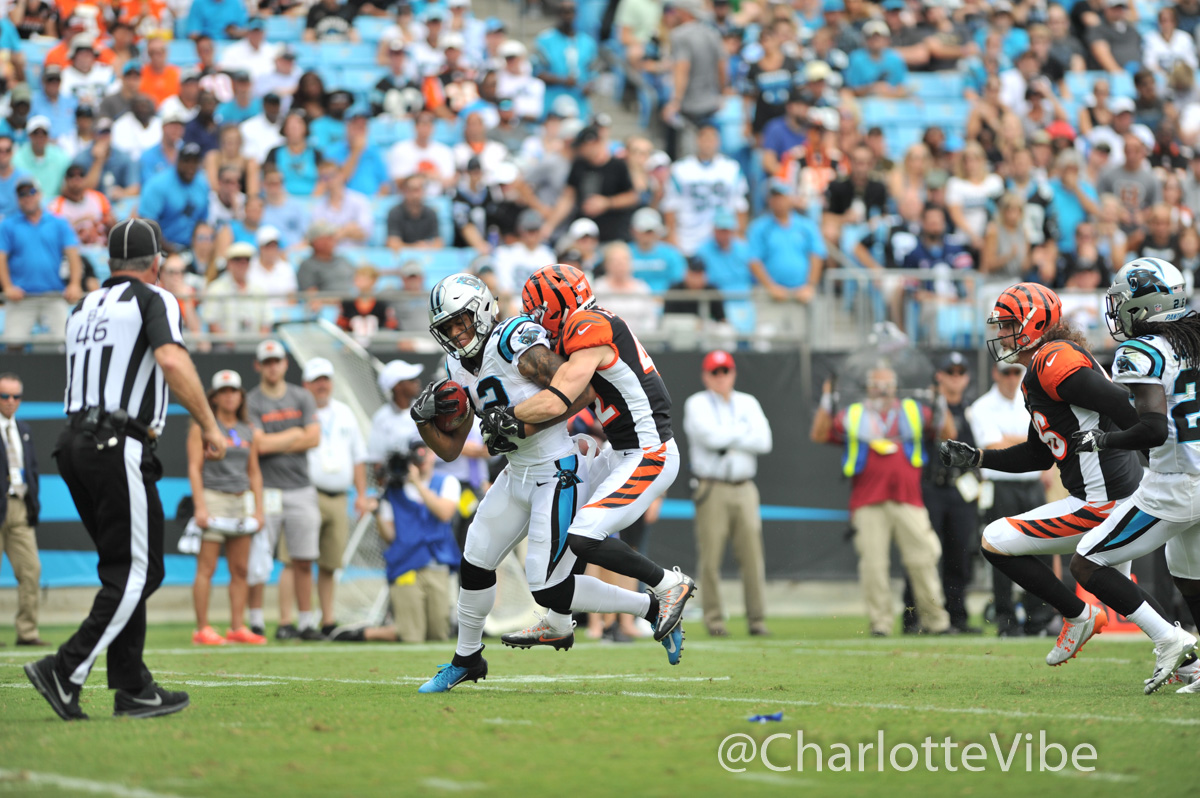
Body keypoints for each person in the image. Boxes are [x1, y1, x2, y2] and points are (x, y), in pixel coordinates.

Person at [415, 273, 681, 692]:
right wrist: (422, 422)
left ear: (481, 312)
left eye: (460, 321)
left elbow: (579, 393)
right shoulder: (455, 366)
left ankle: (648, 605)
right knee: (475, 559)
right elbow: (450, 450)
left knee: (549, 587)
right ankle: (466, 658)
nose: (455, 333)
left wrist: (519, 426)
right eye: (446, 327)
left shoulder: (513, 340)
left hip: (556, 472)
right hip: (515, 474)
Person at [24, 217, 226, 721]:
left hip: (74, 443)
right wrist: (210, 424)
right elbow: (171, 361)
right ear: (155, 262)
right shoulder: (154, 298)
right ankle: (64, 668)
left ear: (112, 261)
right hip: (118, 442)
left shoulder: (81, 306)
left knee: (128, 569)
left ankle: (133, 687)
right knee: (137, 570)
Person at [481, 265, 697, 644]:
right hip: (620, 451)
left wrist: (508, 416)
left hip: (649, 451)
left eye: (537, 310)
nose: (535, 319)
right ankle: (558, 619)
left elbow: (558, 399)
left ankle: (668, 583)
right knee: (564, 527)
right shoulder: (584, 325)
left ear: (555, 305)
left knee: (583, 537)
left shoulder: (588, 325)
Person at [940, 283, 1143, 666]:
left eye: (1008, 325)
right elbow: (1038, 455)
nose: (1002, 334)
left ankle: (1078, 616)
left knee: (995, 540)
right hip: (1114, 492)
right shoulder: (1042, 368)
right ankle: (1183, 655)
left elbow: (1121, 402)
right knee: (1125, 596)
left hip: (1103, 499)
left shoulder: (1053, 359)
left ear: (1034, 323)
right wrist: (979, 458)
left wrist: (1150, 446)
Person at [1068, 259, 1200, 693]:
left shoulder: (1142, 351)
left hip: (1175, 482)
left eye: (1123, 301)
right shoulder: (1193, 337)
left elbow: (1154, 429)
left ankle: (1169, 639)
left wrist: (1102, 440)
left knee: (1087, 561)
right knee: (1189, 574)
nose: (1118, 310)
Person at [810, 365, 953, 636]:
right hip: (868, 501)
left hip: (909, 499)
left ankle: (937, 622)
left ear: (896, 387)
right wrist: (828, 398)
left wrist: (940, 400)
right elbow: (819, 434)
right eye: (876, 384)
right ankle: (880, 624)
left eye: (887, 385)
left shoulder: (912, 410)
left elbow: (947, 433)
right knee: (873, 566)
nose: (882, 390)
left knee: (924, 559)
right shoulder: (853, 414)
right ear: (867, 388)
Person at [333, 436, 460, 643]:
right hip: (406, 565)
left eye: (425, 452)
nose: (421, 459)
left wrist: (417, 483)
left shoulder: (447, 482)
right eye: (416, 455)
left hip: (437, 564)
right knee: (412, 636)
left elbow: (444, 513)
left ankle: (372, 631)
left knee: (438, 633)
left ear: (433, 455)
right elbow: (390, 536)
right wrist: (377, 514)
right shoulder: (394, 490)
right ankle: (363, 634)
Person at [682, 350, 771, 637]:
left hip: (745, 487)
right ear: (705, 376)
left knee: (753, 557)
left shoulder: (748, 401)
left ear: (733, 373)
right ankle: (715, 621)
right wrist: (742, 432)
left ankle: (757, 620)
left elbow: (765, 441)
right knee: (711, 557)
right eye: (715, 372)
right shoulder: (696, 403)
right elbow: (709, 438)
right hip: (712, 487)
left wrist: (727, 435)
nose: (721, 377)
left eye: (725, 371)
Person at [244, 340, 322, 641]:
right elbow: (258, 445)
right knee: (259, 559)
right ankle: (256, 621)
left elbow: (314, 438)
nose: (272, 367)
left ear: (285, 363)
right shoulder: (252, 401)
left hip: (301, 488)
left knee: (304, 558)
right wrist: (294, 434)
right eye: (267, 362)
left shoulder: (301, 396)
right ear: (258, 366)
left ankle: (305, 622)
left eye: (276, 361)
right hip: (266, 489)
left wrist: (275, 441)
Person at [969, 360, 1048, 636]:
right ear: (995, 373)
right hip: (1001, 486)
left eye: (1017, 372)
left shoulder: (1030, 401)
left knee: (1042, 549)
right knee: (1000, 549)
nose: (1012, 378)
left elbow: (1042, 441)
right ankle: (1006, 619)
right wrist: (1030, 444)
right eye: (1007, 372)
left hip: (1033, 484)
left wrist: (1012, 440)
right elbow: (992, 446)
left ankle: (1039, 617)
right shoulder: (982, 406)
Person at [187, 369, 266, 646]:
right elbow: (194, 468)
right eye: (224, 391)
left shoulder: (248, 429)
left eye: (234, 391)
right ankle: (202, 629)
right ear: (215, 397)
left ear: (241, 396)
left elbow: (254, 471)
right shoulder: (201, 427)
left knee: (241, 569)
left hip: (240, 503)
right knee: (206, 568)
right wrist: (200, 506)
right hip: (213, 499)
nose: (229, 396)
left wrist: (259, 509)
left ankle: (236, 627)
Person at [302, 358, 372, 635]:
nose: (322, 385)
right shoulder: (300, 411)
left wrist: (361, 494)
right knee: (300, 559)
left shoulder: (344, 412)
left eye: (325, 379)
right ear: (306, 384)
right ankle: (300, 620)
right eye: (316, 380)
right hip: (308, 493)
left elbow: (358, 456)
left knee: (330, 562)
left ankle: (327, 620)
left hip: (339, 496)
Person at [0, 177, 83, 346]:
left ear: (40, 194)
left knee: (66, 341)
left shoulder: (59, 223)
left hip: (54, 295)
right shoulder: (8, 225)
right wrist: (7, 287)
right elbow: (1, 258)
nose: (27, 197)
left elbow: (73, 255)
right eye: (22, 194)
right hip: (21, 298)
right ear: (17, 198)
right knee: (12, 344)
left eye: (31, 192)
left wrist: (75, 284)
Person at [0, 372, 47, 646]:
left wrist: (33, 502)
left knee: (31, 570)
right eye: (4, 395)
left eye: (16, 396)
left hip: (19, 507)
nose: (10, 401)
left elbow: (32, 469)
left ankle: (27, 632)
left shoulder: (24, 429)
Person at [139, 143, 209, 252]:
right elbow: (147, 224)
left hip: (192, 249)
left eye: (195, 162)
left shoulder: (202, 184)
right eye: (186, 161)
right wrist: (171, 251)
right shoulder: (158, 184)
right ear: (178, 161)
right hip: (161, 248)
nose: (191, 167)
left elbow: (202, 223)